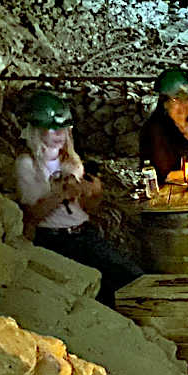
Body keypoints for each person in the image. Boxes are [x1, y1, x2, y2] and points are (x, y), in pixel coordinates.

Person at [15, 90, 143, 307]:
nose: (59, 134)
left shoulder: (71, 163)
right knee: (95, 292)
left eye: (63, 128)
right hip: (54, 240)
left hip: (83, 233)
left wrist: (94, 192)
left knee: (131, 277)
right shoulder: (26, 164)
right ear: (37, 129)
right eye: (53, 128)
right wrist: (62, 193)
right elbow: (33, 214)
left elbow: (88, 209)